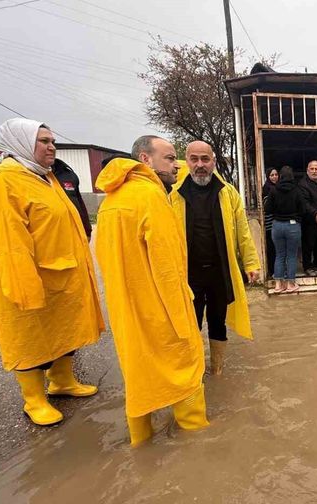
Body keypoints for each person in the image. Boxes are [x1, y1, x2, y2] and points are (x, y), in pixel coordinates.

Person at [0, 118, 104, 426]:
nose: (51, 147)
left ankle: (62, 381)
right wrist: (25, 288)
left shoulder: (45, 177)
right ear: (19, 143)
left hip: (62, 274)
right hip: (30, 279)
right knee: (30, 337)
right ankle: (34, 400)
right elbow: (9, 243)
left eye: (52, 141)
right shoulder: (2, 183)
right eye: (43, 141)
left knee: (65, 330)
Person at [95, 135, 208, 446]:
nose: (177, 165)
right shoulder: (150, 197)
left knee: (139, 378)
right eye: (170, 158)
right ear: (145, 159)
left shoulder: (112, 200)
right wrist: (184, 323)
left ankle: (141, 445)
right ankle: (200, 443)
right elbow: (168, 267)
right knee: (184, 371)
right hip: (160, 309)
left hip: (125, 310)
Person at [172, 140, 261, 376]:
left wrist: (251, 263)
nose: (200, 165)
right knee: (190, 323)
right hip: (188, 273)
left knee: (217, 321)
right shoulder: (174, 194)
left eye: (205, 159)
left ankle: (217, 369)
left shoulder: (228, 193)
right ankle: (194, 372)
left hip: (220, 271)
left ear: (213, 161)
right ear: (187, 161)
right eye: (194, 159)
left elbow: (242, 231)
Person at [264, 166, 311, 293]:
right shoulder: (297, 190)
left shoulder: (273, 190)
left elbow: (267, 209)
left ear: (280, 176)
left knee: (279, 255)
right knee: (291, 255)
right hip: (292, 226)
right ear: (292, 177)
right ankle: (290, 284)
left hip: (277, 226)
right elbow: (303, 209)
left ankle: (278, 285)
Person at [298, 160, 317, 275]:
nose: (314, 171)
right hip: (309, 220)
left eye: (316, 169)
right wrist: (315, 213)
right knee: (308, 244)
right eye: (312, 169)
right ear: (307, 170)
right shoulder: (303, 184)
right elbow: (305, 203)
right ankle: (307, 266)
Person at [52, 158, 92, 239]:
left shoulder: (67, 174)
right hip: (51, 235)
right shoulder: (29, 177)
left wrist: (87, 229)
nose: (51, 150)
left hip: (74, 232)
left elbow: (79, 201)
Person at [262, 167, 279, 279]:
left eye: (276, 175)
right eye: (272, 175)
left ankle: (277, 270)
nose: (274, 177)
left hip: (277, 222)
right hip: (270, 223)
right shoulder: (267, 188)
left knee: (278, 248)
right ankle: (272, 270)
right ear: (268, 177)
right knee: (272, 248)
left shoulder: (278, 187)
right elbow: (267, 206)